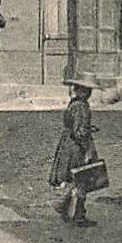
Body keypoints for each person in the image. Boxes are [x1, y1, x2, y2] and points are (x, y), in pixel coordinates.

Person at [48, 72, 101, 226]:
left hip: (68, 144)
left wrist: (88, 128)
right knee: (82, 178)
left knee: (77, 179)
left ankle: (64, 206)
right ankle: (77, 214)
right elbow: (79, 132)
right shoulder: (82, 107)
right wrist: (87, 149)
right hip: (76, 146)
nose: (88, 93)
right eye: (86, 90)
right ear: (81, 90)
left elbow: (74, 126)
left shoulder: (73, 104)